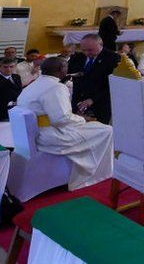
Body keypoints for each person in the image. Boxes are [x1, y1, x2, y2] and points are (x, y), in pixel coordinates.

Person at [17, 57, 113, 190]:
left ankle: (86, 167)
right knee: (106, 129)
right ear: (61, 69)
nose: (67, 69)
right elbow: (61, 119)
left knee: (96, 129)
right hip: (51, 136)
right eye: (66, 66)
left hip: (35, 133)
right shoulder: (56, 87)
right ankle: (93, 172)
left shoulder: (33, 85)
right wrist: (83, 119)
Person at [68, 34, 120, 123]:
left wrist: (93, 100)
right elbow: (69, 73)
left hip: (99, 104)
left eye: (90, 50)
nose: (87, 53)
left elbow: (114, 84)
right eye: (84, 50)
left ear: (101, 45)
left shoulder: (113, 58)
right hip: (77, 102)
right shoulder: (77, 57)